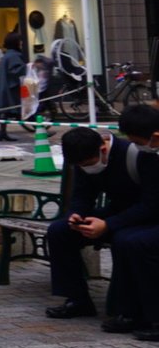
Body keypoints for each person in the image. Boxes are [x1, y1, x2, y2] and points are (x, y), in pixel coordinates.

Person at [44, 114, 159, 333]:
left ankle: (129, 311)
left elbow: (151, 205)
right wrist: (76, 215)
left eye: (87, 164)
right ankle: (77, 300)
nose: (85, 168)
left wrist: (108, 225)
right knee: (60, 230)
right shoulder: (83, 158)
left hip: (144, 218)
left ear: (103, 150)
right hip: (117, 215)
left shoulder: (139, 155)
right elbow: (82, 195)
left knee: (127, 241)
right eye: (80, 166)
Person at [0, 32, 28, 141]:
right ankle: (40, 129)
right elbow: (16, 70)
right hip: (11, 88)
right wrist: (27, 67)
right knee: (23, 109)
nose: (22, 43)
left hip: (5, 86)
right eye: (20, 41)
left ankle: (2, 133)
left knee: (6, 111)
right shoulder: (14, 55)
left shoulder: (8, 54)